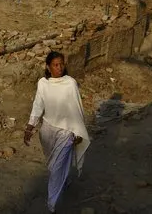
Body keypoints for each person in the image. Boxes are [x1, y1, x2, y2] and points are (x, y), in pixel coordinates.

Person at [24, 52, 90, 214]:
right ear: (48, 67)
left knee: (55, 167)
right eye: (55, 64)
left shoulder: (70, 83)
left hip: (65, 130)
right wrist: (30, 126)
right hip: (47, 129)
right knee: (53, 163)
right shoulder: (43, 83)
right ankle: (64, 180)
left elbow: (77, 108)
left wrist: (78, 131)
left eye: (61, 64)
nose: (59, 67)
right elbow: (38, 105)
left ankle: (51, 203)